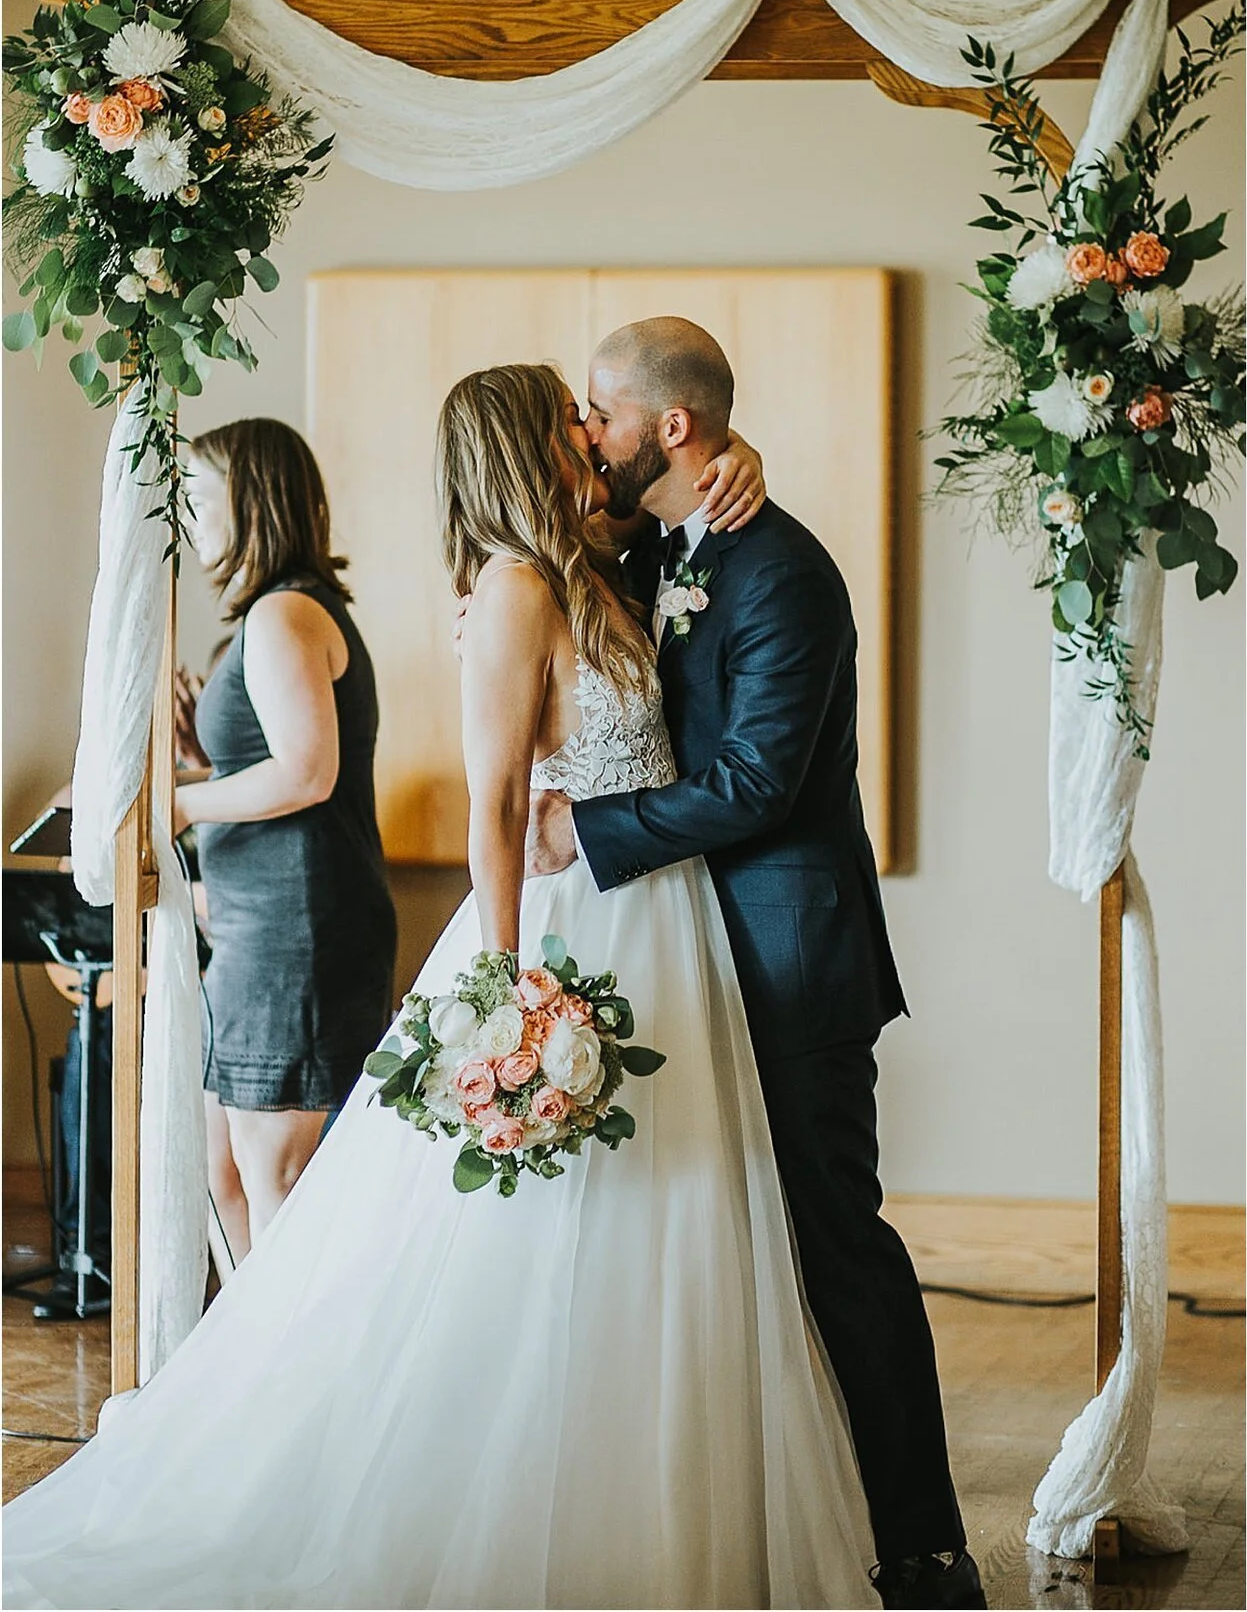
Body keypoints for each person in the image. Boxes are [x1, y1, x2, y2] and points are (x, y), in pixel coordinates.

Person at [2, 361, 878, 1607]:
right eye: (569, 417)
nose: (589, 430)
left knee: (674, 1230)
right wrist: (512, 985)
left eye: (598, 411)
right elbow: (496, 810)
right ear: (530, 444)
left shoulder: (601, 564)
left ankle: (661, 1510)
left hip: (668, 935)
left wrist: (745, 457)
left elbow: (674, 511)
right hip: (568, 930)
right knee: (520, 1236)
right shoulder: (515, 590)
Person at [524, 317, 979, 1611]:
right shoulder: (663, 545)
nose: (587, 436)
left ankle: (924, 1549)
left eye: (602, 412)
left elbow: (758, 782)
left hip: (790, 964)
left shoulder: (781, 572)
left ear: (671, 425)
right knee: (723, 1251)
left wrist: (583, 829)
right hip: (688, 964)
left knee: (839, 1246)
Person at [170, 418, 394, 1261]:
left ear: (248, 499)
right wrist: (203, 761)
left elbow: (307, 774)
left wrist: (183, 806)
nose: (188, 518)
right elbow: (276, 763)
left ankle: (290, 1385)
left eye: (198, 497)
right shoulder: (274, 617)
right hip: (254, 928)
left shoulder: (284, 617)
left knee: (275, 1179)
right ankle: (252, 1369)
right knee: (221, 1169)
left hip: (294, 932)